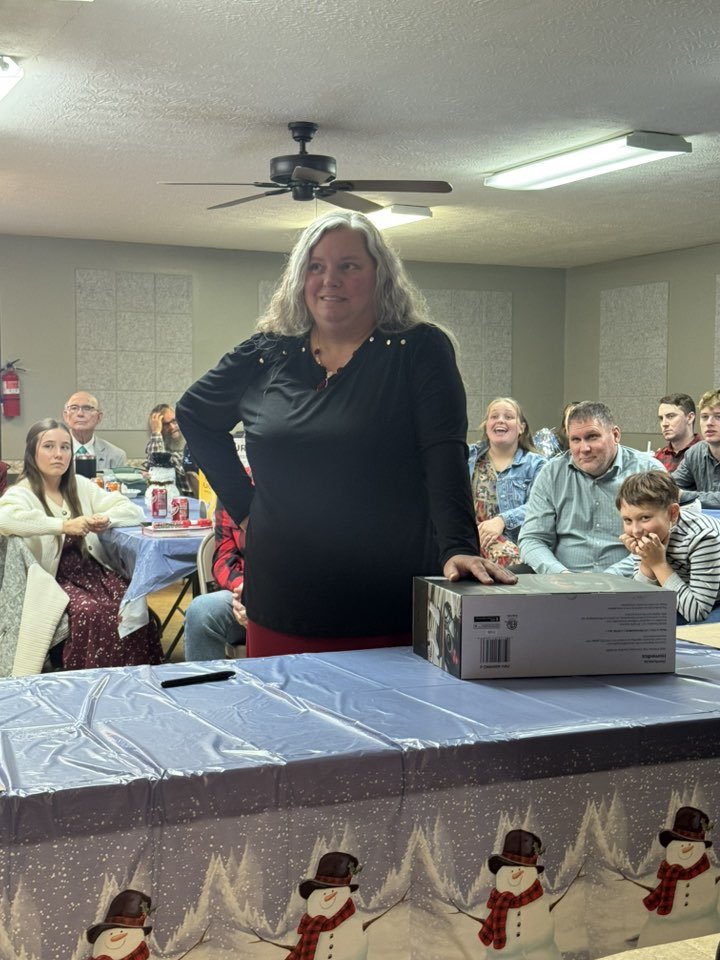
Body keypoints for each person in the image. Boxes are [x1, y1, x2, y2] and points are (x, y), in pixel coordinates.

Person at [177, 210, 515, 657]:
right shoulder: (266, 353)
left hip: (386, 592)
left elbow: (443, 452)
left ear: (380, 276)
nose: (329, 279)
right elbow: (195, 414)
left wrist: (457, 546)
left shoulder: (418, 349)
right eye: (316, 267)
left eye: (348, 266)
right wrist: (244, 508)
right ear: (301, 278)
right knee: (280, 722)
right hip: (284, 590)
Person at [0, 419, 163, 670]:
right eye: (49, 447)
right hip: (54, 579)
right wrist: (63, 526)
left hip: (93, 572)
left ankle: (131, 678)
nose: (58, 454)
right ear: (32, 451)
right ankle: (84, 679)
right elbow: (6, 519)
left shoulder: (80, 486)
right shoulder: (21, 492)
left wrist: (106, 518)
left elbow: (131, 510)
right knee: (90, 612)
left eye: (65, 447)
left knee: (129, 603)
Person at [518, 401, 666, 575]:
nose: (584, 448)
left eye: (592, 437)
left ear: (616, 435)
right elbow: (532, 539)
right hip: (563, 585)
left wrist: (609, 577)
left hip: (630, 582)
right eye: (576, 440)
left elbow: (662, 539)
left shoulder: (648, 471)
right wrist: (560, 575)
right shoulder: (552, 473)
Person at [617, 471, 720, 623]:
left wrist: (658, 564)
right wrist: (646, 563)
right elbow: (639, 603)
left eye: (645, 518)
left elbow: (696, 613)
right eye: (627, 520)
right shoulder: (648, 534)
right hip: (681, 600)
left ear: (673, 513)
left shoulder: (703, 537)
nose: (636, 531)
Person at [468, 397, 546, 566]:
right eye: (494, 416)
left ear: (521, 428)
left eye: (509, 417)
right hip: (467, 539)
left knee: (510, 561)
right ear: (486, 426)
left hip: (513, 543)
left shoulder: (537, 465)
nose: (500, 420)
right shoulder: (466, 457)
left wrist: (502, 520)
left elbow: (541, 506)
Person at [183, 502, 247, 661]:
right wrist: (243, 587)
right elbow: (224, 558)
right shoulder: (232, 486)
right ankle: (206, 685)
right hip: (245, 593)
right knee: (202, 611)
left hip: (296, 594)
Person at [672, 390, 720, 507]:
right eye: (704, 417)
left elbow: (679, 494)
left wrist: (684, 496)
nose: (709, 423)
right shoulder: (695, 452)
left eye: (718, 417)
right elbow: (671, 487)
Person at [63, 390, 127, 469]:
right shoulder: (54, 452)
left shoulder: (116, 456)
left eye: (87, 408)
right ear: (66, 416)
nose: (80, 414)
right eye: (74, 408)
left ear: (99, 417)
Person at [145, 403, 197, 496]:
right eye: (165, 424)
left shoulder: (191, 443)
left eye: (174, 421)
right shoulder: (156, 446)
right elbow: (159, 464)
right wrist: (156, 432)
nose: (173, 427)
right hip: (179, 500)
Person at [655, 392, 700, 471]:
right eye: (661, 418)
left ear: (689, 418)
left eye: (671, 416)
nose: (664, 424)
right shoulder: (658, 457)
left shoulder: (706, 453)